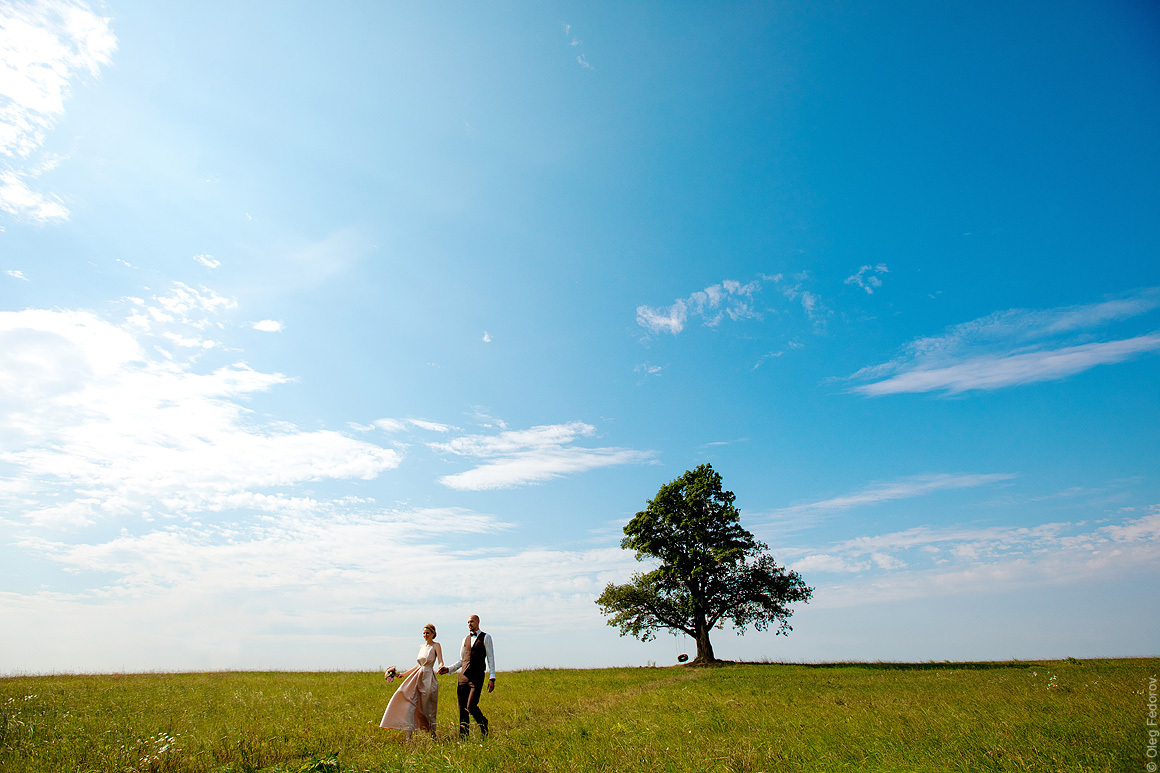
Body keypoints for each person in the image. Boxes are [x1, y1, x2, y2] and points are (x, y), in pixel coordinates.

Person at [379, 623, 445, 740]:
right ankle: (408, 737)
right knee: (409, 704)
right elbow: (418, 665)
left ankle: (433, 735)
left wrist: (441, 667)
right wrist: (404, 674)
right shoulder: (421, 647)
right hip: (417, 676)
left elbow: (440, 660)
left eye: (427, 633)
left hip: (428, 677)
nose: (425, 635)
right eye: (424, 633)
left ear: (433, 634)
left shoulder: (436, 646)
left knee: (426, 709)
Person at [439, 614, 495, 738]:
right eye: (468, 622)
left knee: (471, 706)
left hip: (477, 677)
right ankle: (463, 737)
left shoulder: (486, 637)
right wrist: (448, 669)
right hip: (463, 677)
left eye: (472, 622)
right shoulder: (465, 640)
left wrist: (492, 678)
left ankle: (483, 723)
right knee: (462, 708)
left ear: (478, 622)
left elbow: (491, 658)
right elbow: (461, 660)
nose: (470, 624)